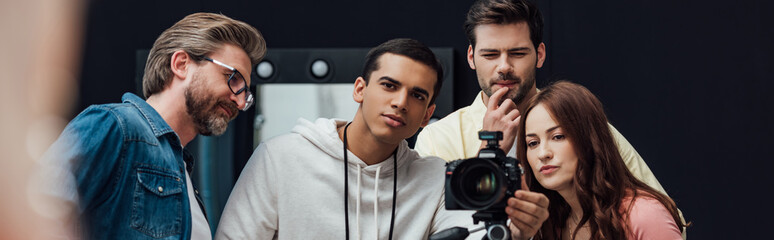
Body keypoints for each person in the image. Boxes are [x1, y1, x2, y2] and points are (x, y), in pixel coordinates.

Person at [216, 38, 542, 239]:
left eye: (416, 95)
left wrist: (516, 231)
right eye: (389, 85)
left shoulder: (433, 177)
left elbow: (475, 237)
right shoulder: (279, 158)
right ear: (360, 89)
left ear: (427, 114)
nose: (400, 102)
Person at [414, 0, 672, 218]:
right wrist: (490, 150)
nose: (504, 66)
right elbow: (436, 229)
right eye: (490, 55)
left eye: (517, 53)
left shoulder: (578, 122)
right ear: (471, 57)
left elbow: (663, 215)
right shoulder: (438, 139)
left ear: (540, 54)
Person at [41, 13, 266, 239]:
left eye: (245, 93)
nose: (238, 101)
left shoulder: (183, 174)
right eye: (232, 78)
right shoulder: (115, 125)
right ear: (181, 64)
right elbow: (34, 215)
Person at [516, 81, 684, 239]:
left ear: (589, 139)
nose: (543, 153)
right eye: (533, 143)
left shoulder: (644, 215)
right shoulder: (551, 224)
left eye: (558, 137)